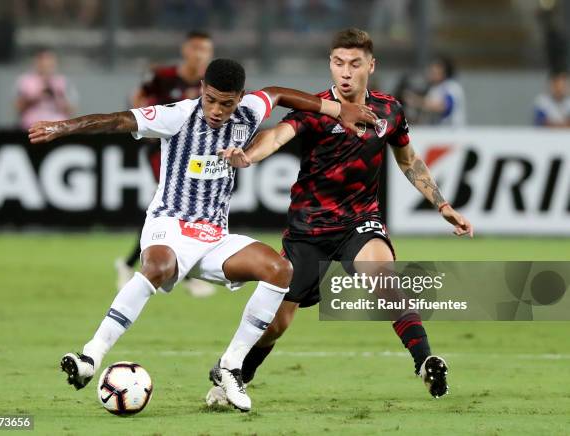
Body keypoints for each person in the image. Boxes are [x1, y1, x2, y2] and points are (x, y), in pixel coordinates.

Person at [28, 58, 374, 412]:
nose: (217, 110)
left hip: (214, 237)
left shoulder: (250, 111)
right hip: (169, 226)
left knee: (280, 270)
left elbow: (280, 94)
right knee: (157, 266)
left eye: (226, 102)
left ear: (241, 97)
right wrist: (62, 127)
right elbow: (118, 120)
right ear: (201, 91)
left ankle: (230, 366)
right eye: (210, 99)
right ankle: (91, 355)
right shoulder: (178, 115)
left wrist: (337, 110)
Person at [209, 29, 473, 406]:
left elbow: (408, 159)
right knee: (276, 325)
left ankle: (425, 361)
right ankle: (235, 376)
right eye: (338, 63)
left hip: (359, 223)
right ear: (330, 65)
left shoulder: (389, 110)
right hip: (308, 231)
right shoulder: (314, 110)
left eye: (354, 64)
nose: (345, 72)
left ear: (371, 65)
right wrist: (249, 156)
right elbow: (276, 137)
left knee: (383, 279)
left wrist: (443, 206)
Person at [116, 31, 216, 297]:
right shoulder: (163, 76)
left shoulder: (212, 81)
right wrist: (146, 128)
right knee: (175, 200)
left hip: (194, 152)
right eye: (195, 48)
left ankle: (131, 264)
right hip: (163, 150)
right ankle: (184, 272)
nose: (199, 54)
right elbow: (136, 97)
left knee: (169, 205)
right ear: (185, 50)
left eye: (205, 50)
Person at [15, 49, 77, 130]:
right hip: (31, 127)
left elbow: (71, 110)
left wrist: (56, 96)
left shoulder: (63, 82)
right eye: (43, 61)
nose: (46, 65)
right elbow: (18, 107)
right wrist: (36, 97)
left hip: (57, 129)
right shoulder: (25, 81)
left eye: (49, 62)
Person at [404, 55, 466, 126]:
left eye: (435, 71)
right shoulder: (434, 89)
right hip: (439, 133)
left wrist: (416, 101)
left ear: (444, 72)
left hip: (453, 133)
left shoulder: (451, 86)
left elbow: (444, 106)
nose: (430, 74)